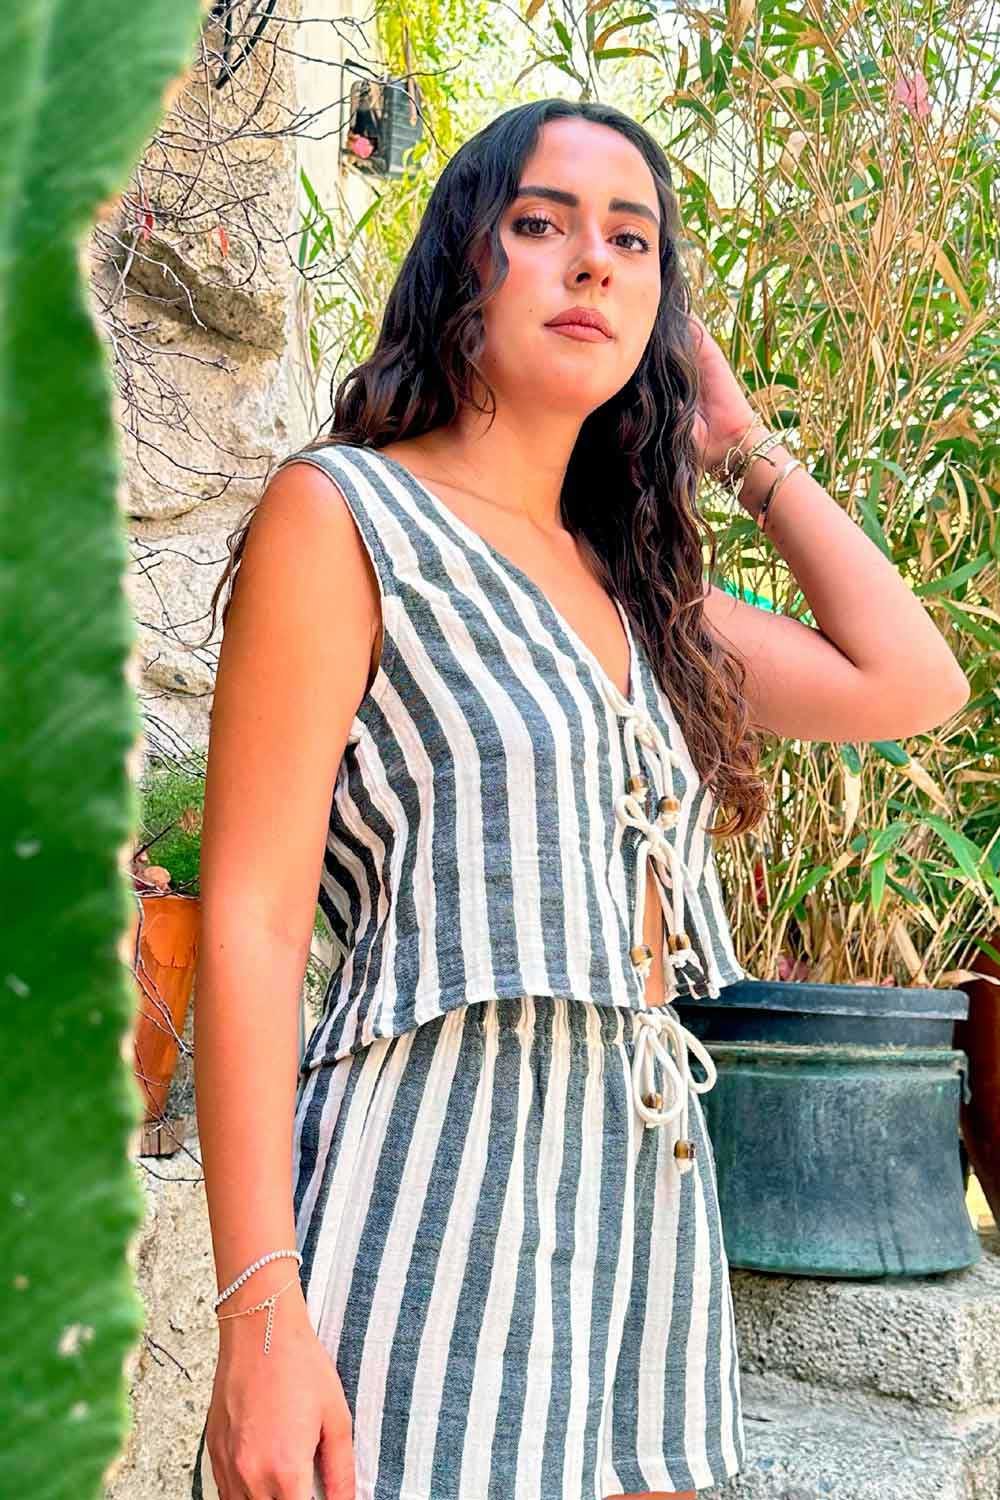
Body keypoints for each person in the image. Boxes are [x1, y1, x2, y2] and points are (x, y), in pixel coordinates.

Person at [189, 97, 970, 1500]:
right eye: (543, 223)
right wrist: (257, 1311)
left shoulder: (635, 593)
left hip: (645, 1182)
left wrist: (741, 443)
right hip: (434, 1170)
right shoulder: (346, 515)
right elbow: (252, 922)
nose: (594, 262)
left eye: (634, 240)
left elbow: (910, 681)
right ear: (463, 264)